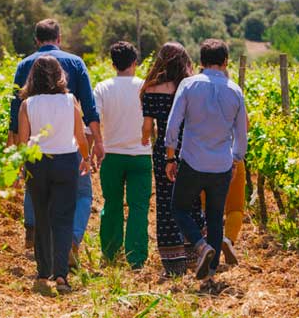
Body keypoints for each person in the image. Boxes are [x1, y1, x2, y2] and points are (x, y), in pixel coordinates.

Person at [8, 18, 105, 265]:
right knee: (82, 194)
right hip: (68, 144)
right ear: (59, 39)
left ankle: (32, 229)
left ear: (37, 40)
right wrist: (98, 143)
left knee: (36, 188)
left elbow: (16, 108)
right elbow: (90, 107)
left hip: (36, 145)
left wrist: (15, 149)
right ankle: (71, 240)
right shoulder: (76, 63)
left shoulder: (24, 65)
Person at [165, 39, 247, 281]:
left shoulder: (189, 85)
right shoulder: (235, 91)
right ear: (225, 62)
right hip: (221, 164)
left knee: (178, 208)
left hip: (192, 161)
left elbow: (173, 123)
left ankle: (201, 247)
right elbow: (241, 134)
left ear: (200, 62)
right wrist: (235, 160)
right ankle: (211, 274)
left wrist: (170, 157)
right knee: (215, 214)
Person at [16, 55, 91, 293]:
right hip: (66, 162)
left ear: (32, 77)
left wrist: (21, 167)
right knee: (63, 218)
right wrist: (86, 159)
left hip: (38, 163)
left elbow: (23, 141)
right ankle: (61, 275)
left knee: (42, 216)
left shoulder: (28, 104)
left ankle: (43, 273)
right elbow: (80, 136)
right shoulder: (71, 101)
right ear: (60, 76)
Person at [140, 42, 205, 277]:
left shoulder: (151, 89)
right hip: (189, 149)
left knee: (166, 202)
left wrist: (145, 138)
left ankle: (173, 262)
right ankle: (195, 251)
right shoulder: (190, 87)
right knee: (192, 200)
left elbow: (148, 127)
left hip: (163, 153)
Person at [94, 41, 152, 269]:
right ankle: (136, 257)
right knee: (139, 207)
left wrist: (96, 145)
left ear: (112, 64)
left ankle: (110, 253)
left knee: (112, 203)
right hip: (140, 155)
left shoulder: (102, 88)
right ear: (135, 63)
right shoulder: (145, 87)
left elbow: (93, 121)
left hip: (112, 155)